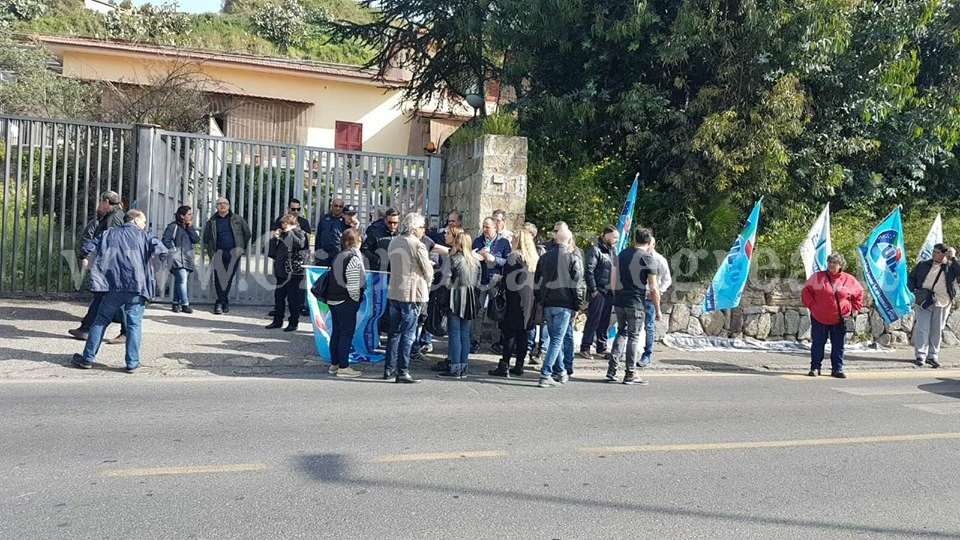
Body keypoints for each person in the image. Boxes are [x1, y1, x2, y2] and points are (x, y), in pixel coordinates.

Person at [71, 209, 167, 372]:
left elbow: (87, 247)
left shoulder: (109, 234)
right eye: (144, 222)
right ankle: (132, 363)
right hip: (137, 286)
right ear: (136, 220)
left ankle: (87, 358)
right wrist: (157, 268)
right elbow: (163, 251)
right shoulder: (145, 236)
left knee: (101, 320)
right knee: (134, 325)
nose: (144, 225)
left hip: (112, 286)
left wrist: (86, 259)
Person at [68, 190, 127, 342]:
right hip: (110, 264)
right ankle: (86, 328)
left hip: (110, 265)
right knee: (104, 297)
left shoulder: (113, 218)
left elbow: (109, 242)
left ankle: (89, 329)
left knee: (108, 297)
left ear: (106, 202)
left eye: (101, 202)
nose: (99, 205)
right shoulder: (114, 216)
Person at [609, 227, 662, 385]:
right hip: (636, 302)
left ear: (634, 239)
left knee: (621, 333)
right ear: (649, 242)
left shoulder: (622, 254)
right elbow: (653, 287)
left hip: (620, 300)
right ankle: (630, 373)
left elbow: (613, 277)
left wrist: (615, 294)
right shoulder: (647, 258)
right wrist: (658, 309)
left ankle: (612, 370)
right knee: (633, 337)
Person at [384, 212, 433, 383]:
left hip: (395, 290)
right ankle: (402, 371)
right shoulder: (417, 245)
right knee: (408, 333)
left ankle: (389, 368)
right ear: (413, 229)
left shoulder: (394, 242)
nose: (423, 231)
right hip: (412, 292)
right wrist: (428, 277)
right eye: (421, 227)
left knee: (394, 332)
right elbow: (427, 270)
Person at [801, 252, 864, 378]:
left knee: (838, 345)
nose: (831, 264)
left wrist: (854, 308)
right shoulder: (818, 277)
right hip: (820, 317)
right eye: (830, 262)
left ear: (841, 265)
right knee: (818, 343)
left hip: (840, 319)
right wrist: (812, 306)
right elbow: (806, 291)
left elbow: (859, 293)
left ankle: (837, 369)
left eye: (834, 262)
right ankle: (815, 367)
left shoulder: (849, 279)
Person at [534, 228, 582, 388]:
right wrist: (577, 305)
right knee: (556, 340)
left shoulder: (545, 257)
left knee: (556, 338)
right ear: (569, 241)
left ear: (555, 240)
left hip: (548, 302)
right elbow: (577, 284)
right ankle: (545, 373)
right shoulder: (572, 257)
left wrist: (540, 299)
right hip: (564, 304)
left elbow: (537, 281)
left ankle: (560, 371)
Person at [489, 229, 539, 378]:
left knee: (510, 333)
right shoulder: (533, 258)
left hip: (514, 298)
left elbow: (508, 280)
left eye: (513, 240)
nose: (511, 242)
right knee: (523, 333)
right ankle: (519, 365)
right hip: (529, 299)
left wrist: (500, 279)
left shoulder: (513, 257)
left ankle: (504, 365)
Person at [907, 244, 960, 369]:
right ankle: (920, 355)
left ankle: (932, 355)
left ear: (944, 253)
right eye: (934, 252)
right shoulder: (923, 264)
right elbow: (912, 278)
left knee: (937, 329)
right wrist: (912, 291)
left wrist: (953, 258)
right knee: (922, 328)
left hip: (942, 301)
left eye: (938, 252)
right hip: (924, 300)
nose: (935, 254)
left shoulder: (951, 266)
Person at [439, 231, 481, 379]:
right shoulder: (475, 262)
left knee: (455, 333)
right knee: (465, 333)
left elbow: (445, 280)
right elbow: (478, 282)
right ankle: (463, 367)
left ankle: (455, 368)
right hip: (470, 297)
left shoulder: (453, 259)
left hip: (455, 297)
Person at [325, 228, 365, 378]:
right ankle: (344, 367)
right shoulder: (353, 258)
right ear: (357, 242)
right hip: (346, 300)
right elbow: (354, 284)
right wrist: (356, 300)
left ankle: (334, 364)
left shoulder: (338, 256)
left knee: (336, 332)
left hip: (333, 299)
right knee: (346, 334)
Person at [202, 197, 252, 315]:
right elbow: (206, 238)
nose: (222, 206)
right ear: (216, 206)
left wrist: (241, 247)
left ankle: (222, 301)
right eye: (219, 204)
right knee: (219, 278)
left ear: (229, 205)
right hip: (218, 253)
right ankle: (221, 302)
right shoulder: (212, 221)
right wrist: (211, 251)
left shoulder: (237, 219)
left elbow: (247, 234)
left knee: (228, 278)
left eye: (225, 203)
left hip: (233, 253)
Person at [470, 216, 512, 353]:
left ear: (495, 227)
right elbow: (470, 259)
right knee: (478, 311)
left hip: (495, 282)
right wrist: (477, 256)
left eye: (487, 227)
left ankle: (496, 342)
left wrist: (494, 259)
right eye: (483, 226)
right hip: (480, 281)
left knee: (496, 312)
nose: (485, 230)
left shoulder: (504, 243)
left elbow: (508, 262)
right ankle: (475, 341)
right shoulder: (477, 241)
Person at [579, 225, 618, 360]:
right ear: (606, 235)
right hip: (599, 291)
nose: (616, 240)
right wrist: (594, 290)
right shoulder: (595, 250)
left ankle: (601, 346)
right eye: (614, 237)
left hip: (609, 292)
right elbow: (589, 271)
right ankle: (585, 347)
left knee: (604, 321)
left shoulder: (613, 251)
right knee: (593, 320)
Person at [268, 199, 311, 318]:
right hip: (282, 266)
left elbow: (302, 244)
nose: (296, 211)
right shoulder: (280, 223)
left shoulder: (301, 228)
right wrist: (276, 237)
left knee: (294, 294)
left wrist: (290, 232)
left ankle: (294, 318)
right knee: (279, 294)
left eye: (298, 209)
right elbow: (273, 240)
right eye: (293, 209)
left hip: (295, 267)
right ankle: (278, 318)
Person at [638, 234, 673, 367]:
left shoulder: (659, 260)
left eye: (650, 244)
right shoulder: (639, 257)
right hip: (637, 295)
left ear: (653, 245)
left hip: (650, 297)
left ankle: (647, 354)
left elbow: (667, 279)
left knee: (649, 326)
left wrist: (660, 291)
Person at [162, 205, 200, 314]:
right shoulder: (172, 227)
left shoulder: (189, 227)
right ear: (182, 216)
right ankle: (185, 304)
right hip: (176, 258)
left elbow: (196, 240)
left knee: (180, 281)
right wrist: (174, 251)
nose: (191, 216)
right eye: (189, 214)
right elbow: (166, 240)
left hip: (187, 258)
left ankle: (175, 302)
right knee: (182, 280)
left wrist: (190, 228)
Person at [361, 207, 400, 271]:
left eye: (395, 223)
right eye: (390, 222)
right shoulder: (375, 233)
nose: (392, 225)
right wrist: (378, 260)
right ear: (385, 220)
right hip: (379, 271)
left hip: (395, 271)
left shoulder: (401, 235)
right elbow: (364, 249)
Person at [314, 198, 346, 266]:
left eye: (340, 206)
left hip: (338, 255)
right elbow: (318, 237)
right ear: (332, 206)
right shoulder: (324, 219)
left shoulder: (345, 222)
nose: (338, 208)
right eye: (336, 206)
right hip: (323, 255)